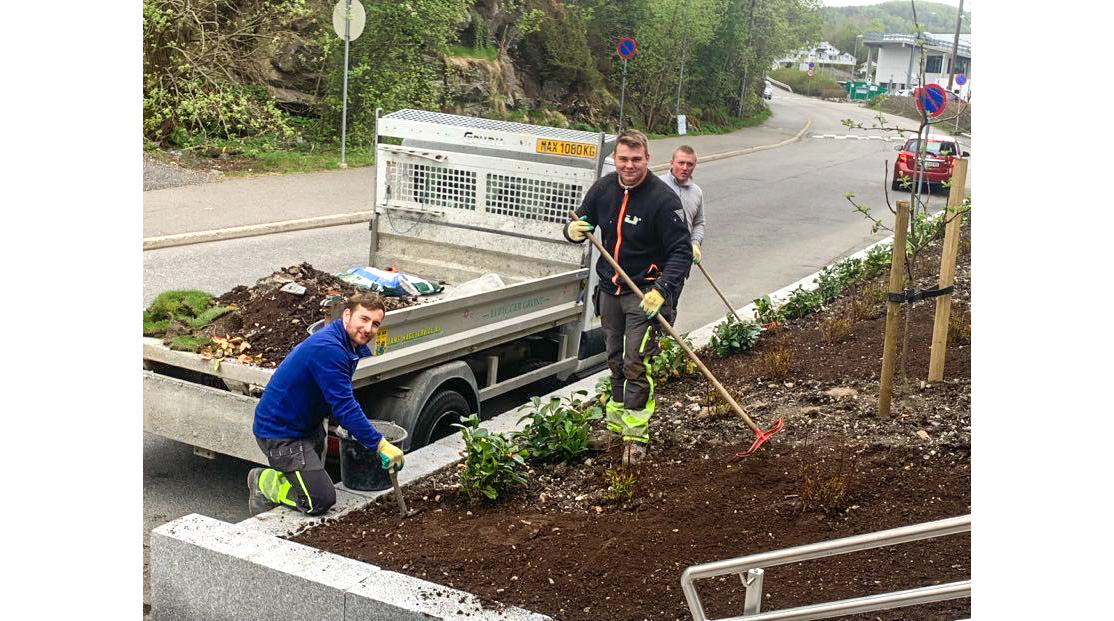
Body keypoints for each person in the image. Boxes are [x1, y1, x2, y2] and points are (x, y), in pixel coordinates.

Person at [563, 129, 692, 466]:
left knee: (636, 361)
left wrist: (661, 290)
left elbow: (681, 252)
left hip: (644, 294)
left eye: (636, 159)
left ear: (647, 159)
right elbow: (582, 219)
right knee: (614, 357)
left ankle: (636, 435)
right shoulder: (604, 188)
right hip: (610, 290)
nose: (629, 165)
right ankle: (616, 423)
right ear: (615, 159)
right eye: (623, 159)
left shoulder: (663, 200)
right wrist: (572, 231)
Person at [247, 293, 405, 516]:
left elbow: (335, 397)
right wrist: (380, 444)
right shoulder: (329, 348)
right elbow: (344, 405)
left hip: (306, 427)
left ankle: (292, 478)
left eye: (375, 324)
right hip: (280, 433)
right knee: (320, 500)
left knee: (314, 480)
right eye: (364, 319)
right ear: (347, 315)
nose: (368, 328)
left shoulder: (347, 343)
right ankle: (264, 481)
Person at [658, 145, 705, 320]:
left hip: (680, 262)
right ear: (671, 162)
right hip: (655, 263)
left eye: (690, 164)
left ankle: (665, 343)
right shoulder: (657, 186)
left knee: (670, 309)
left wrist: (695, 244)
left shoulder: (697, 193)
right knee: (653, 310)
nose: (685, 168)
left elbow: (699, 223)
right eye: (681, 163)